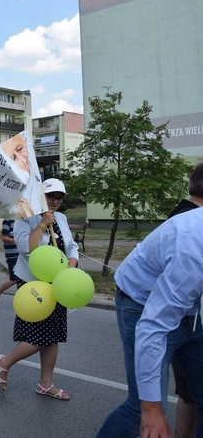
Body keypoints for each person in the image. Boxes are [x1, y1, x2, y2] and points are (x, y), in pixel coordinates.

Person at [97, 164, 203, 438]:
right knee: (141, 408)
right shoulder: (193, 246)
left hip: (190, 310)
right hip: (141, 304)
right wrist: (151, 408)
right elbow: (154, 325)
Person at [0, 178, 78, 400]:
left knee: (53, 336)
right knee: (38, 336)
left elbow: (72, 247)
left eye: (59, 198)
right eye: (51, 197)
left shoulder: (62, 218)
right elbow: (24, 247)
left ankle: (45, 384)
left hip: (58, 283)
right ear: (41, 196)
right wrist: (42, 223)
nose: (55, 202)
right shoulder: (25, 217)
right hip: (34, 283)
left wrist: (71, 267)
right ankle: (4, 362)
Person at [165, 162, 203, 438]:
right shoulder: (190, 219)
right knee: (194, 394)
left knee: (190, 394)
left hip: (189, 317)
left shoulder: (186, 213)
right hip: (185, 318)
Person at [0, 219, 18, 310]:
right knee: (14, 279)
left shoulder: (24, 220)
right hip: (12, 254)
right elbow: (4, 237)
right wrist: (19, 241)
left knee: (24, 280)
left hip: (24, 254)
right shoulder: (8, 221)